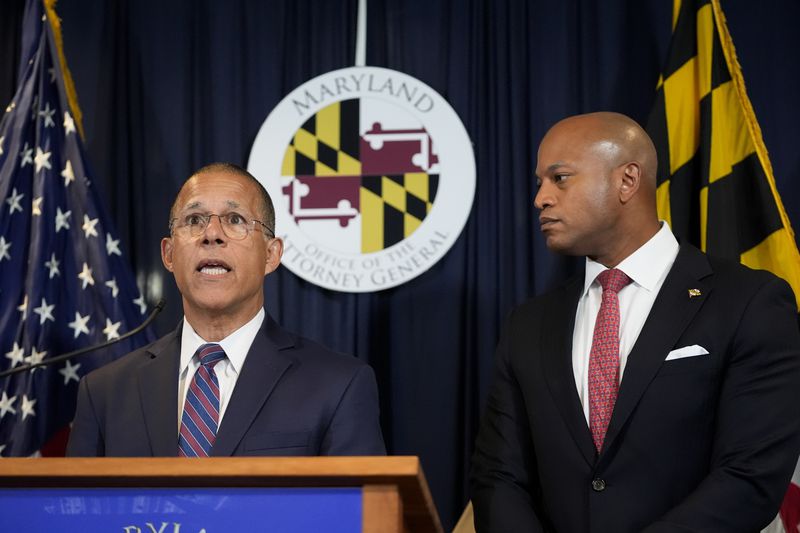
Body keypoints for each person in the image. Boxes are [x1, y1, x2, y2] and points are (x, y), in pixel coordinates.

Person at [470, 112, 800, 532]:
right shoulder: (528, 324)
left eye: (560, 178)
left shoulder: (748, 302)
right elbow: (498, 476)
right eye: (540, 183)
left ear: (627, 180)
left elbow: (751, 474)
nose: (541, 198)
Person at [67, 162, 385, 457]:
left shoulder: (338, 384)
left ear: (271, 255)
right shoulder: (103, 393)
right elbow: (77, 514)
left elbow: (359, 515)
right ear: (168, 254)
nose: (212, 234)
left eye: (235, 220)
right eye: (194, 220)